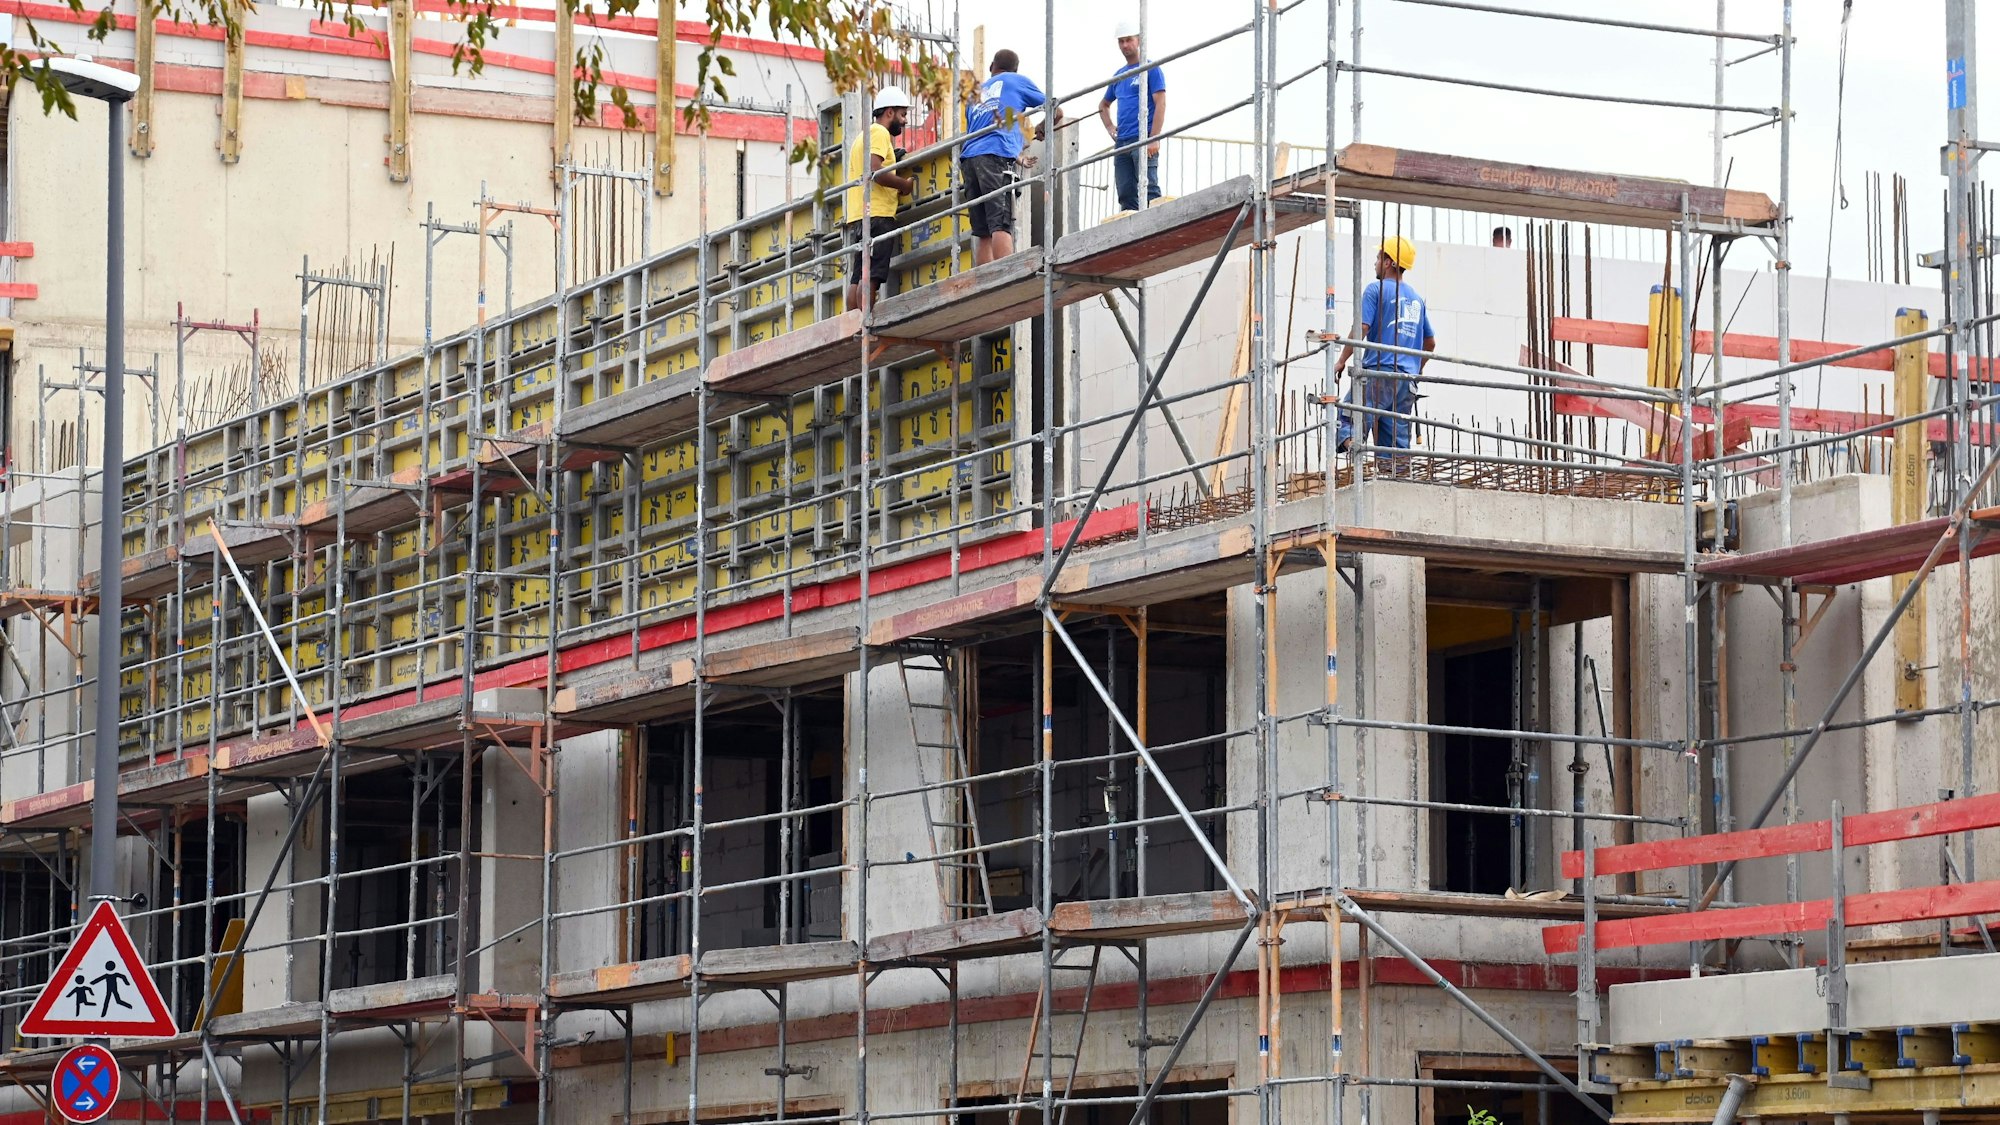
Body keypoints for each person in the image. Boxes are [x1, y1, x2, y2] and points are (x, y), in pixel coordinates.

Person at [1335, 237, 1436, 455]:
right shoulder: (1417, 300)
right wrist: (1416, 370)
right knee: (1394, 447)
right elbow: (1430, 343)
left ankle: (1354, 447)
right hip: (1406, 382)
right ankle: (1395, 477)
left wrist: (1342, 360)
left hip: (1379, 374)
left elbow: (1361, 327)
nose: (1376, 263)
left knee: (1348, 418)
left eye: (1379, 257)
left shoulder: (1376, 289)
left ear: (1389, 262)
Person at [961, 50, 1060, 266]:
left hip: (969, 158)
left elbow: (983, 133)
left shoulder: (974, 94)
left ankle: (984, 284)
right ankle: (1006, 275)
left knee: (982, 230)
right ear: (1016, 69)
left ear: (991, 66)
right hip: (994, 156)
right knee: (1000, 222)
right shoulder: (1016, 81)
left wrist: (1017, 151)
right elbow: (1056, 109)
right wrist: (1044, 126)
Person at [845, 86, 917, 312]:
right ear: (889, 112)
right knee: (872, 276)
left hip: (862, 215)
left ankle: (853, 325)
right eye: (902, 114)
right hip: (878, 214)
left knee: (858, 275)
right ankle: (865, 323)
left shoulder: (864, 136)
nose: (904, 121)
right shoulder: (879, 133)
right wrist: (904, 185)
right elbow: (874, 170)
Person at [1099, 20, 1165, 212]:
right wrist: (1111, 127)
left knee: (1149, 189)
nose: (1125, 45)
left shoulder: (1150, 68)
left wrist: (1154, 137)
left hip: (1142, 138)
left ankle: (1156, 230)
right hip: (1122, 143)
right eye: (1121, 41)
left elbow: (1161, 102)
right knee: (1126, 193)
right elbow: (1103, 105)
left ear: (1139, 40)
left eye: (1128, 40)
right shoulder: (1118, 75)